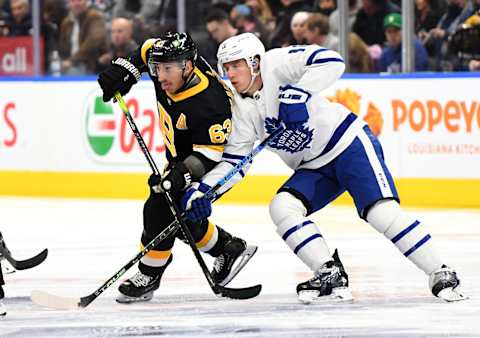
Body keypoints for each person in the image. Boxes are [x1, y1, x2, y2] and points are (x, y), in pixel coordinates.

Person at [181, 33, 468, 304]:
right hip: (313, 165)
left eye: (236, 66)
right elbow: (234, 162)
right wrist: (203, 191)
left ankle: (440, 272)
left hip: (347, 144)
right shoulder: (240, 109)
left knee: (380, 213)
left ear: (255, 62)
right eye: (226, 67)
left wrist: (297, 93)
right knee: (282, 207)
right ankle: (328, 271)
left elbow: (331, 60)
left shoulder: (277, 63)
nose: (230, 74)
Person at [97, 32, 257, 303]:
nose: (160, 76)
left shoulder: (210, 101)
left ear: (188, 66)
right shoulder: (169, 68)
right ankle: (228, 249)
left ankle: (149, 274)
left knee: (161, 206)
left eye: (167, 69)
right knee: (177, 214)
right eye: (157, 69)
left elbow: (208, 155)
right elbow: (148, 49)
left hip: (221, 161)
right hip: (183, 156)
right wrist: (125, 69)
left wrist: (178, 176)